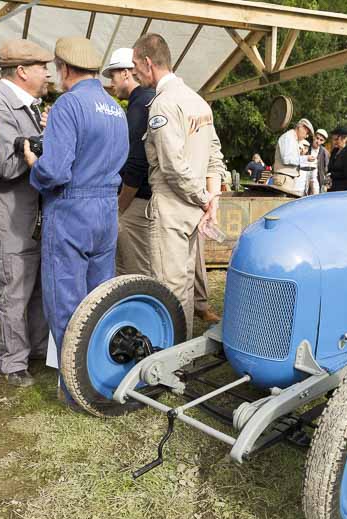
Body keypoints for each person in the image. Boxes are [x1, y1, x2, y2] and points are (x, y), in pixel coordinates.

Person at [24, 36, 128, 403]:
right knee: (99, 299)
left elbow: (55, 171)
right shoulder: (115, 107)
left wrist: (33, 163)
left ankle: (75, 388)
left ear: (64, 68)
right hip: (106, 210)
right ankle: (101, 376)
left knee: (66, 303)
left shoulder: (68, 105)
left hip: (72, 209)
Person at [131, 33, 227, 338]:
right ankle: (181, 353)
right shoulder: (198, 101)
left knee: (168, 288)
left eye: (135, 65)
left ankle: (169, 357)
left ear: (148, 63)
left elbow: (172, 166)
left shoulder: (163, 105)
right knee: (184, 284)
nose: (133, 73)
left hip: (173, 207)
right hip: (194, 208)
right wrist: (211, 199)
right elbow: (214, 157)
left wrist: (204, 198)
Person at [0, 39, 53, 388]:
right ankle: (12, 361)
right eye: (42, 67)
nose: (48, 73)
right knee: (14, 280)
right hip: (8, 204)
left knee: (33, 279)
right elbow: (6, 165)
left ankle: (34, 349)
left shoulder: (26, 104)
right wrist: (41, 141)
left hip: (28, 205)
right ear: (22, 71)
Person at [104, 47, 155, 279]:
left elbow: (137, 162)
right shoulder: (147, 100)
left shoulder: (139, 105)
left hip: (136, 201)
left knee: (134, 273)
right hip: (142, 199)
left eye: (112, 75)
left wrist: (121, 205)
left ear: (126, 73)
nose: (111, 82)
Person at [272, 118, 315, 195]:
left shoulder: (293, 139)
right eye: (307, 132)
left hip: (286, 178)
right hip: (283, 179)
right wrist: (305, 158)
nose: (306, 136)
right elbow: (286, 159)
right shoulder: (288, 137)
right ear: (301, 127)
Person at [328, 125, 347, 190]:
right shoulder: (334, 151)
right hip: (332, 187)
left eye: (337, 139)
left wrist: (331, 175)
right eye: (333, 139)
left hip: (342, 190)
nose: (334, 142)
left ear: (345, 139)